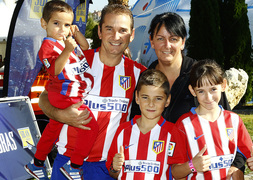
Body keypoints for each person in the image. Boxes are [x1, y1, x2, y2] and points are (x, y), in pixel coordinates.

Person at [130, 12, 246, 178]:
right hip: (152, 167)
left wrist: (237, 167)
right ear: (152, 41)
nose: (167, 45)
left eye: (174, 39)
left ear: (183, 42)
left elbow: (230, 124)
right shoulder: (145, 79)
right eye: (160, 38)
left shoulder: (201, 75)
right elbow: (134, 123)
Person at [38, 4, 147, 180]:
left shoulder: (139, 73)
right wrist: (60, 114)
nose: (116, 36)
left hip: (105, 167)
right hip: (66, 163)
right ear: (100, 32)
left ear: (132, 35)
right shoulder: (76, 58)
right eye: (109, 28)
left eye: (123, 30)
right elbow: (44, 97)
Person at [24, 1, 98, 179]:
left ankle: (37, 162)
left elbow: (85, 48)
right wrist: (67, 50)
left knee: (52, 130)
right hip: (64, 94)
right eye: (56, 23)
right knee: (91, 127)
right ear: (44, 23)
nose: (62, 29)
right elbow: (54, 70)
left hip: (67, 93)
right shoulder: (48, 45)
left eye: (66, 25)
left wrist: (76, 33)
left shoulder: (65, 41)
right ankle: (74, 165)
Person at [168, 59, 253, 179]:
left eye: (213, 89)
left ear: (223, 85)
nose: (208, 97)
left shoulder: (234, 120)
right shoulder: (184, 125)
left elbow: (252, 157)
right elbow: (174, 172)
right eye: (201, 91)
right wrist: (192, 165)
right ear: (192, 91)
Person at [106, 69, 181, 179]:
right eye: (145, 97)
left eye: (158, 98)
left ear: (167, 100)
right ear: (137, 97)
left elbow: (179, 172)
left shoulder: (173, 132)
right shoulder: (123, 130)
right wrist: (114, 168)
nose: (151, 104)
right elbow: (113, 172)